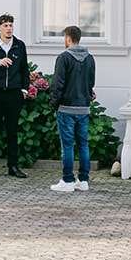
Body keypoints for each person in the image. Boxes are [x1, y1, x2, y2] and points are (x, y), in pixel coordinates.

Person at [0, 13, 30, 179]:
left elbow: (24, 69)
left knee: (12, 131)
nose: (9, 28)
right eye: (5, 25)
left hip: (14, 93)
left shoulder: (19, 45)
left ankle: (13, 166)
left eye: (10, 25)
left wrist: (24, 89)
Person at [49, 25, 95, 192]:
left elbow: (58, 84)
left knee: (67, 146)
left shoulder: (63, 58)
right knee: (83, 145)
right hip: (83, 108)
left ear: (68, 38)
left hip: (66, 108)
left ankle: (67, 180)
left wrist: (54, 103)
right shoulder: (90, 58)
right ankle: (83, 180)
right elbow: (91, 82)